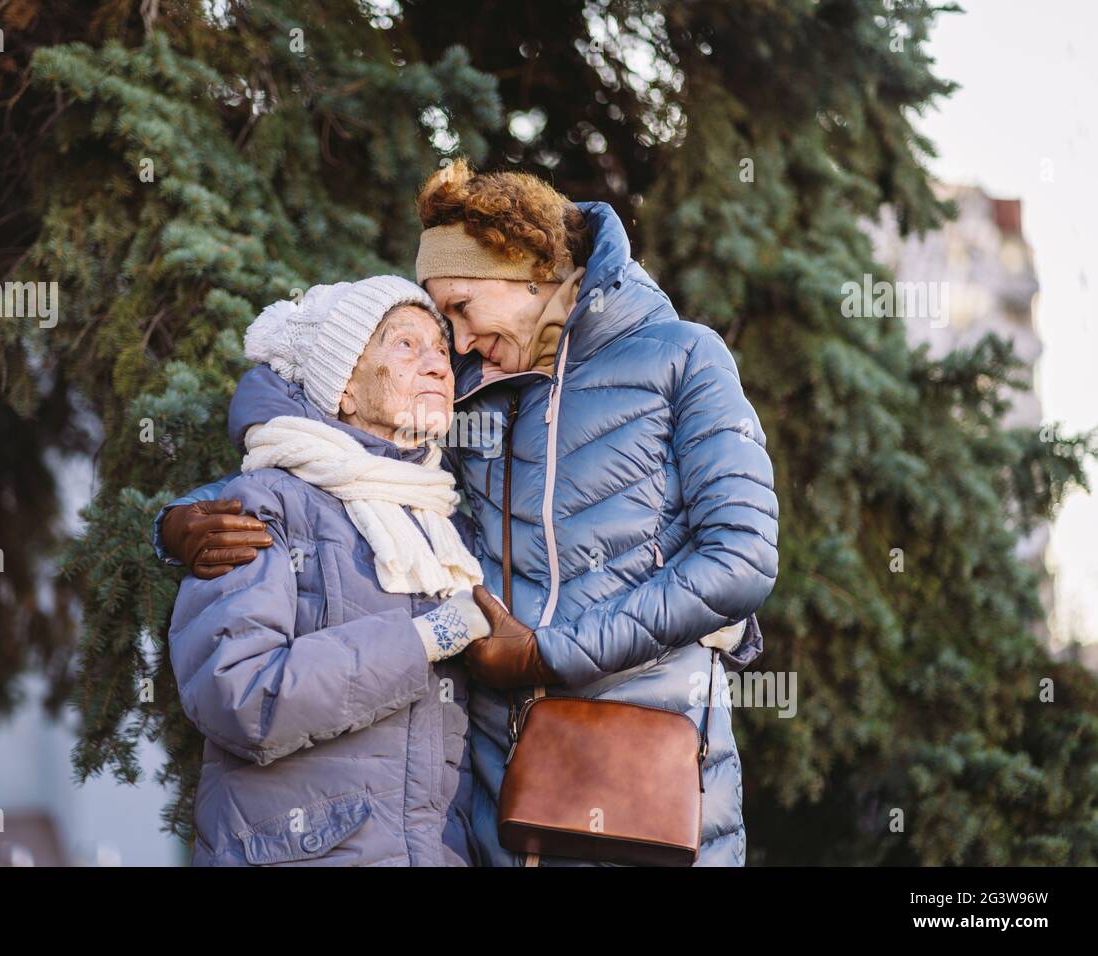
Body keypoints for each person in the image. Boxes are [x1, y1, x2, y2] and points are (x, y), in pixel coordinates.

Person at [159, 161, 778, 866]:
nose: (453, 344)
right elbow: (348, 463)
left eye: (459, 308)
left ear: (527, 272)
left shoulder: (682, 358)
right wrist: (183, 521)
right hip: (490, 810)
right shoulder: (470, 398)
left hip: (641, 779)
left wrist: (549, 654)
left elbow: (742, 558)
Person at [168, 276, 490, 866]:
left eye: (442, 351)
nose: (439, 367)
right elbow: (238, 695)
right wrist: (425, 639)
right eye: (406, 346)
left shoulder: (449, 532)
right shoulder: (267, 505)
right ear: (344, 388)